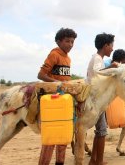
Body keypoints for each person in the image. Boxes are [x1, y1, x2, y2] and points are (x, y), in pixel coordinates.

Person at [37, 27, 77, 165]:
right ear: (58, 41)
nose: (70, 44)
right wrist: (58, 83)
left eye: (72, 42)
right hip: (53, 102)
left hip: (64, 102)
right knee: (51, 137)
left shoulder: (68, 58)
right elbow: (41, 75)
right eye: (67, 41)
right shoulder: (54, 54)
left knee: (63, 136)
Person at [86, 32, 119, 165]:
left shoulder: (97, 58)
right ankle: (98, 161)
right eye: (111, 45)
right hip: (95, 100)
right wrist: (111, 67)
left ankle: (94, 160)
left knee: (100, 131)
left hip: (95, 98)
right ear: (105, 45)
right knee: (102, 131)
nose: (112, 48)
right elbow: (98, 73)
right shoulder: (98, 58)